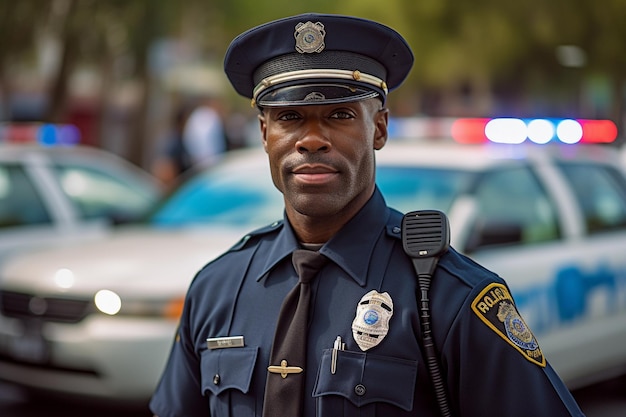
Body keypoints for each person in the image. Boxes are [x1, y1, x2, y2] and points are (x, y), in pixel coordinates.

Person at [150, 13, 585, 417]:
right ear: (265, 134)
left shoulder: (450, 297)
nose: (312, 140)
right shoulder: (217, 288)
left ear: (378, 128)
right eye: (289, 117)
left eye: (339, 115)